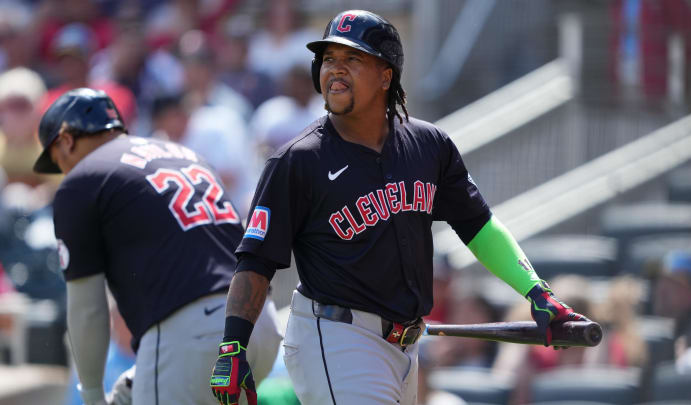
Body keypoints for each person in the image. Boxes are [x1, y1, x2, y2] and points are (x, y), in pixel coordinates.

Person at [210, 10, 589, 405]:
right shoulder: (298, 160)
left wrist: (538, 294)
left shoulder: (429, 145)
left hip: (406, 346)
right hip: (336, 336)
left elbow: (479, 227)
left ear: (386, 75)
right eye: (328, 60)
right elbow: (255, 261)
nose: (335, 71)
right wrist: (233, 346)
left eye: (352, 59)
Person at [33, 88, 281, 405]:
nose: (62, 172)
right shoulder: (183, 153)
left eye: (57, 160)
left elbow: (88, 308)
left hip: (194, 336)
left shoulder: (84, 177)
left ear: (65, 140)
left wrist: (93, 394)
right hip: (259, 324)